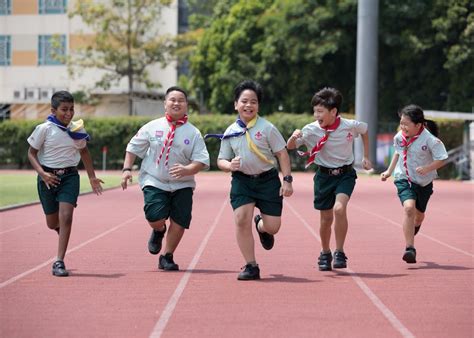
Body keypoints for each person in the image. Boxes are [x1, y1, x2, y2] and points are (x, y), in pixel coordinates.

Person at [208, 80, 293, 281]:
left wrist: (287, 180)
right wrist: (229, 166)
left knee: (273, 227)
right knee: (240, 219)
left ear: (258, 106)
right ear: (236, 104)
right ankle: (251, 265)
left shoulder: (268, 128)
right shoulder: (230, 132)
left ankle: (261, 226)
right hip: (242, 181)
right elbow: (220, 159)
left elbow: (282, 154)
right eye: (244, 101)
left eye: (253, 102)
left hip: (267, 181)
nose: (249, 105)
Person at [121, 86, 209, 271]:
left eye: (181, 100)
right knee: (154, 216)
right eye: (172, 100)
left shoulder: (193, 133)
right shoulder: (152, 127)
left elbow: (201, 160)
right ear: (165, 104)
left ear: (186, 105)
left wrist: (187, 170)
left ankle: (167, 256)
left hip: (182, 184)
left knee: (180, 221)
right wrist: (127, 169)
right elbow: (133, 147)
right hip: (155, 180)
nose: (176, 103)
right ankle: (158, 230)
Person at [287, 87, 372, 271]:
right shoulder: (310, 130)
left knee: (339, 209)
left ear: (333, 111)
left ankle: (339, 252)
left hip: (345, 174)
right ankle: (325, 252)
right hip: (324, 176)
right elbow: (291, 146)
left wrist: (366, 156)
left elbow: (364, 130)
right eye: (315, 111)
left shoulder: (349, 125)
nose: (316, 115)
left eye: (320, 111)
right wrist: (293, 137)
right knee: (325, 219)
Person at [27, 90, 103, 277]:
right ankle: (62, 232)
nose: (69, 114)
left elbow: (84, 153)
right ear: (53, 111)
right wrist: (43, 174)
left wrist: (92, 177)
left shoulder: (77, 129)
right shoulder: (44, 129)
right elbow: (31, 153)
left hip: (69, 177)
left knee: (67, 216)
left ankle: (59, 261)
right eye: (64, 110)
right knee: (52, 222)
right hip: (48, 178)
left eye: (71, 109)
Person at [381, 104, 447, 264]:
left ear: (418, 125)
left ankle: (416, 225)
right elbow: (398, 153)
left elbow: (442, 159)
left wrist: (427, 168)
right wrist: (389, 171)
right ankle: (410, 248)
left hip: (424, 183)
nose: (402, 127)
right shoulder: (399, 137)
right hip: (404, 178)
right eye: (401, 123)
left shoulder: (431, 140)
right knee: (409, 208)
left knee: (419, 216)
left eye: (406, 124)